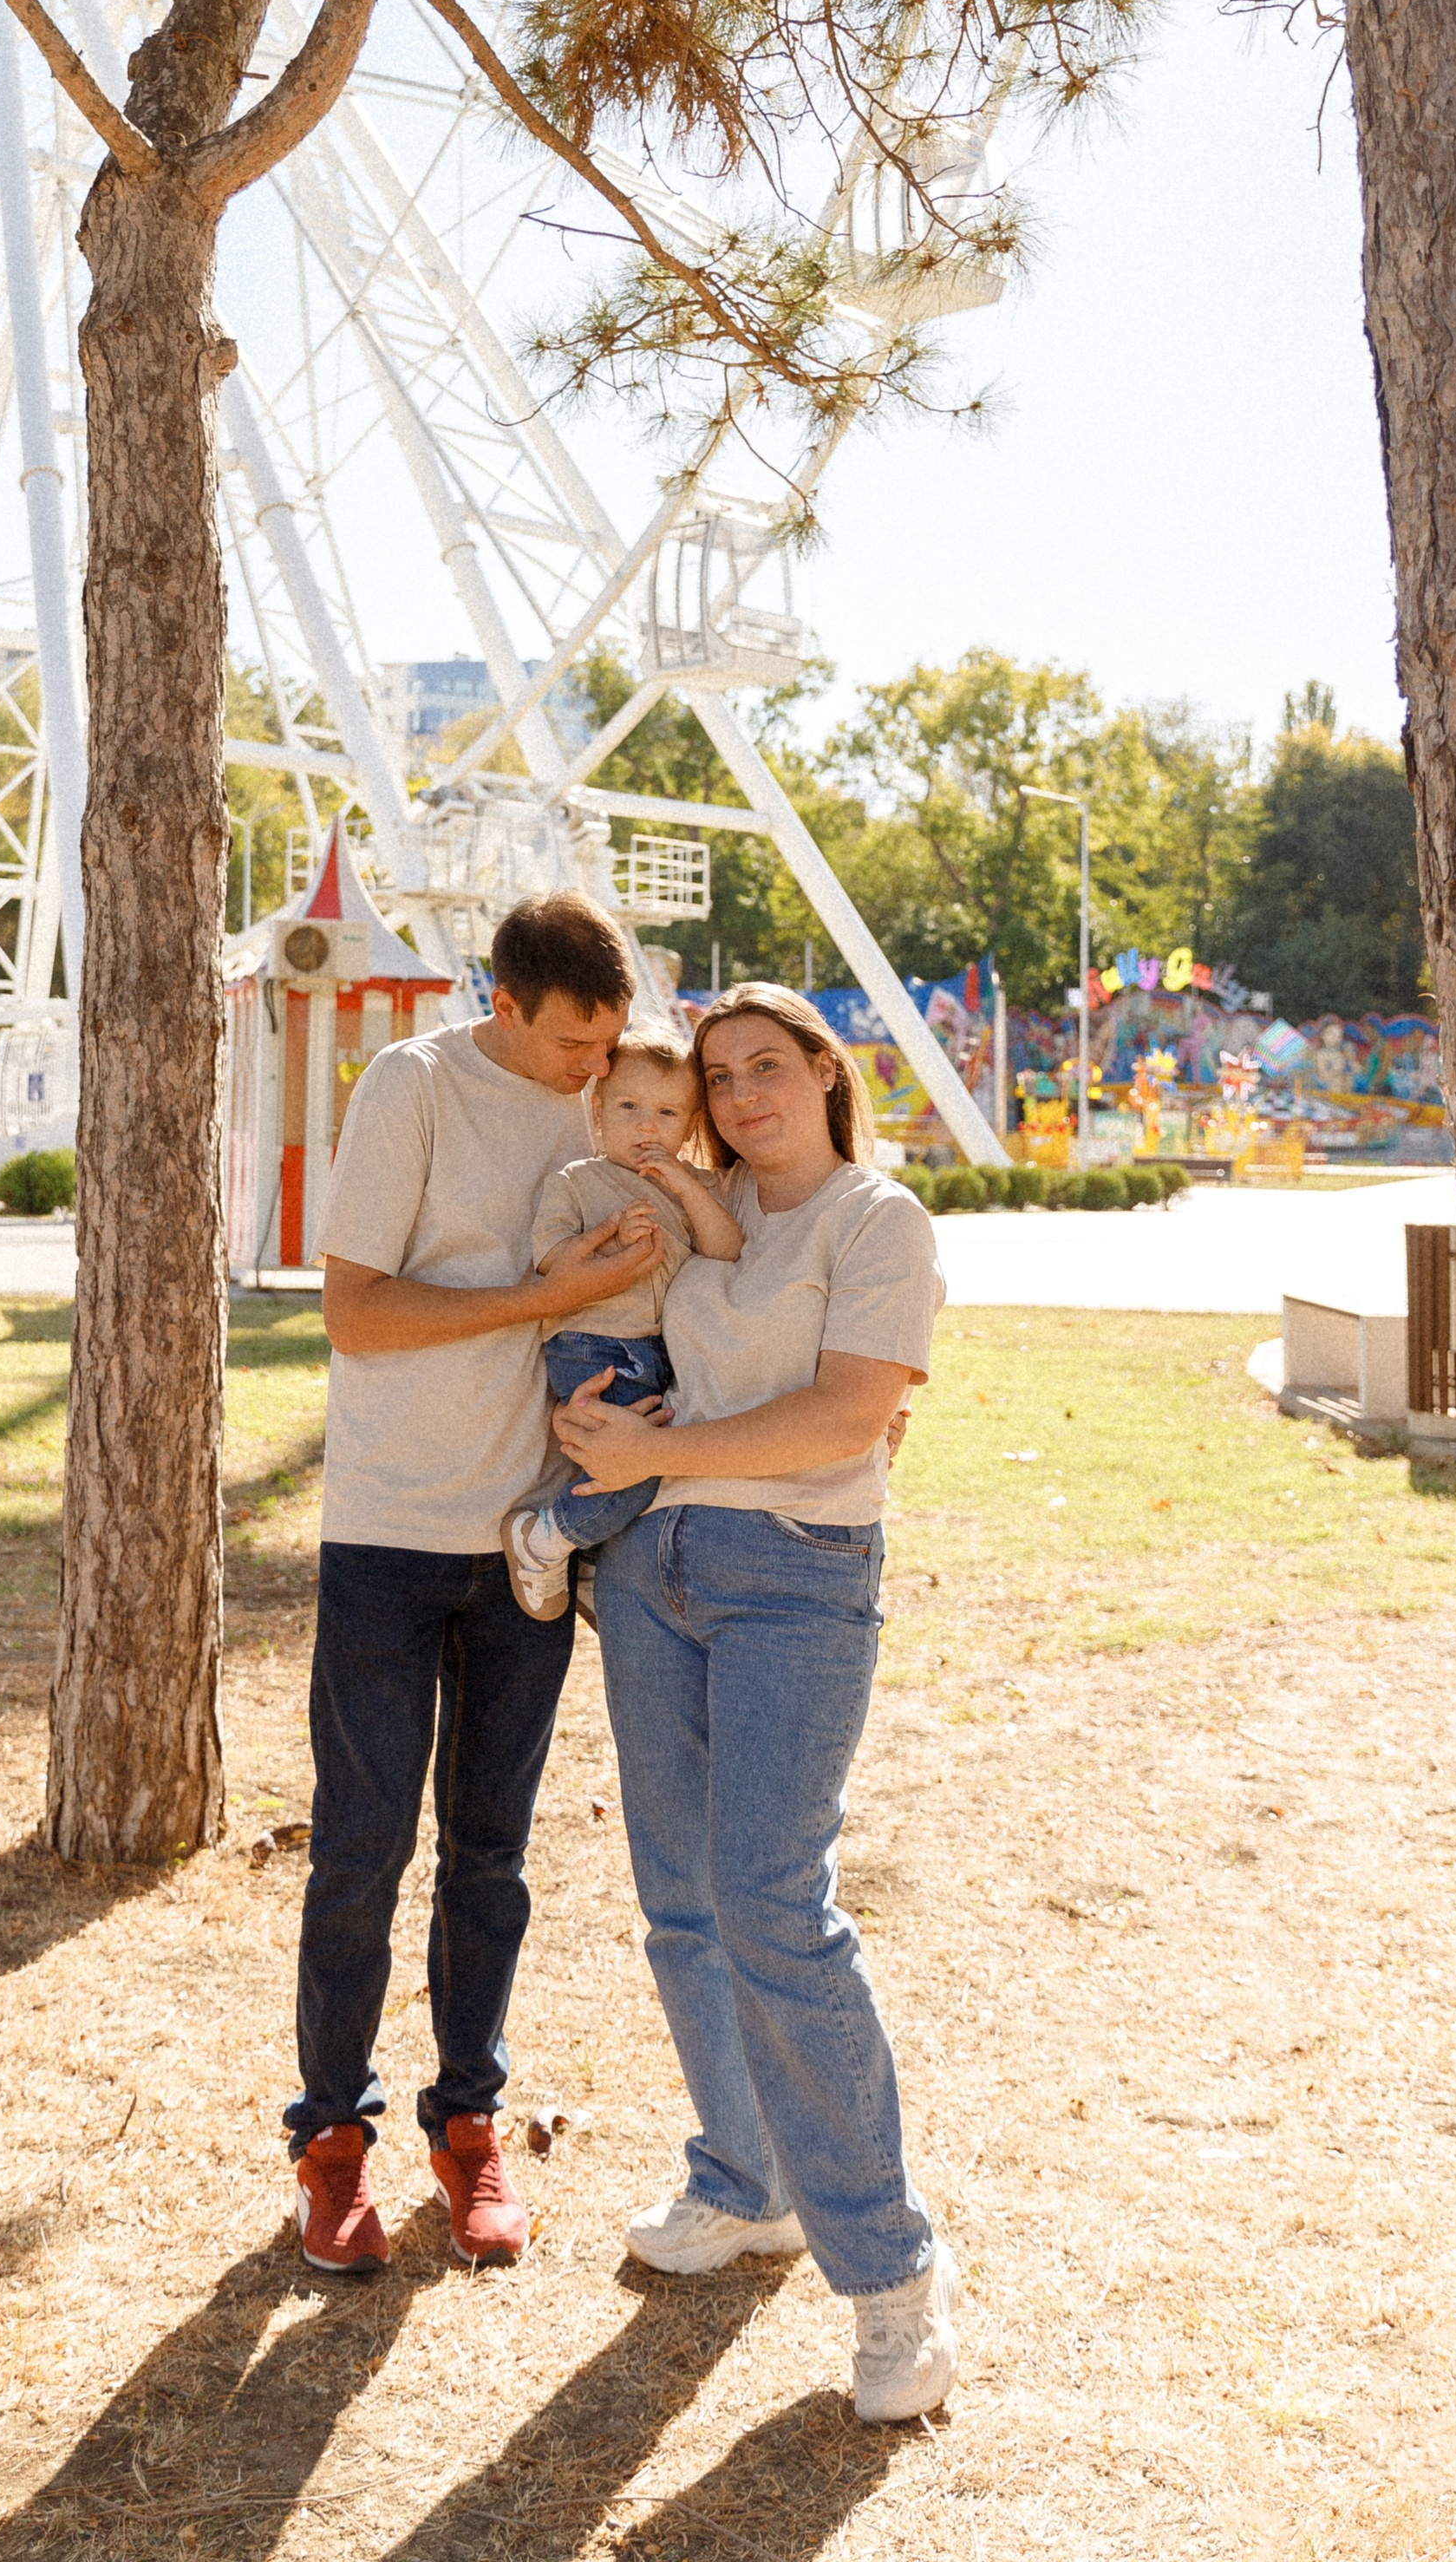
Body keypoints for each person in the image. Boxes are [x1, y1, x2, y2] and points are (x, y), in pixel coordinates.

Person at [552, 982, 959, 2424]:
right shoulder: (706, 1216)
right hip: (656, 1569)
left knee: (774, 1905)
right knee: (681, 1899)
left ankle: (896, 2284)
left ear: (822, 1073)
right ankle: (747, 2184)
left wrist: (659, 1461)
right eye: (719, 1074)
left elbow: (852, 1412)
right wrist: (608, 1434)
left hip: (792, 1571)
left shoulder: (876, 1222)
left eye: (765, 1067)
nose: (738, 1095)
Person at [290, 891, 656, 2279]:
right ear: (502, 1005)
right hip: (389, 1532)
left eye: (610, 1044)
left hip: (531, 1543)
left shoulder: (608, 1105)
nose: (595, 1072)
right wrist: (538, 1298)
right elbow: (357, 1312)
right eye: (574, 1044)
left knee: (490, 1858)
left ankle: (470, 2125)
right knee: (359, 1856)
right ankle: (332, 2145)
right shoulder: (414, 1085)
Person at [499, 1030, 741, 1624]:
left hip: (662, 1352)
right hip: (596, 1347)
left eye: (666, 1114)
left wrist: (684, 1185)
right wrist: (607, 1241)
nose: (646, 1127)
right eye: (629, 1108)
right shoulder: (578, 1181)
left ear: (688, 1128)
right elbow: (551, 1259)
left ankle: (587, 1558)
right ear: (598, 1112)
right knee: (638, 1467)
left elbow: (727, 1249)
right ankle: (545, 1538)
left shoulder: (696, 1189)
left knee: (661, 1462)